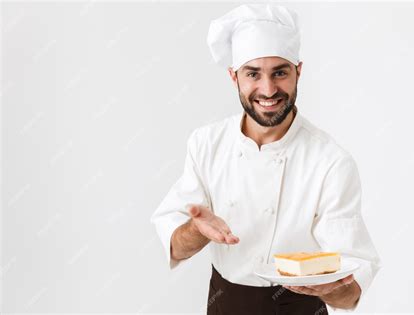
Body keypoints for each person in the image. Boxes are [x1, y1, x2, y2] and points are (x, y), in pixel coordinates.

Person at [151, 4, 381, 314]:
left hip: (300, 307)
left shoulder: (330, 161)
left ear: (298, 71)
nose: (268, 89)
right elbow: (176, 246)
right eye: (253, 73)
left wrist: (328, 289)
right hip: (225, 305)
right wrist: (197, 230)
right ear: (234, 77)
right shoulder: (206, 144)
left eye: (280, 72)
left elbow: (351, 290)